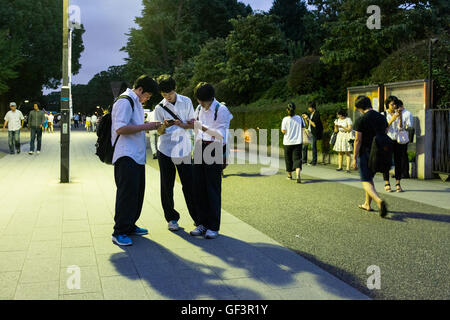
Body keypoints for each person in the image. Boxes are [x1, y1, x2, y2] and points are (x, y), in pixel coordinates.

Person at [111, 75, 161, 247]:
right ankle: (119, 231)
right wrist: (147, 126)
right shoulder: (125, 101)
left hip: (136, 156)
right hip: (126, 155)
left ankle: (130, 225)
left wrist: (150, 125)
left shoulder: (136, 103)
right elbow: (120, 128)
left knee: (137, 194)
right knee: (126, 194)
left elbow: (135, 126)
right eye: (147, 95)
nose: (147, 99)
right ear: (140, 90)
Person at [154, 75, 199, 232]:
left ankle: (197, 218)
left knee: (189, 184)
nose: (168, 97)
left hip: (184, 148)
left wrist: (183, 124)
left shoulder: (186, 101)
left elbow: (193, 124)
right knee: (167, 185)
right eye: (164, 94)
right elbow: (158, 131)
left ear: (175, 89)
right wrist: (164, 126)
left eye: (170, 93)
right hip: (165, 149)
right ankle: (172, 218)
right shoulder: (159, 108)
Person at [189, 83, 233, 239]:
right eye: (198, 100)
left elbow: (221, 135)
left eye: (202, 101)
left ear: (211, 98)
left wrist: (201, 127)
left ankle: (213, 226)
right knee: (198, 187)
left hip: (214, 148)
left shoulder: (221, 110)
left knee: (212, 188)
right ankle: (201, 223)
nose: (200, 103)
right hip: (200, 147)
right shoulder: (200, 108)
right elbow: (196, 129)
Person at [352, 96, 388, 218]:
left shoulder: (361, 120)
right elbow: (386, 131)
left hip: (365, 152)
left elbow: (358, 140)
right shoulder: (381, 117)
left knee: (365, 180)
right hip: (379, 151)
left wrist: (354, 157)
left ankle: (379, 201)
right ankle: (367, 204)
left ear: (360, 108)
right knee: (370, 178)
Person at [382, 98, 413, 193]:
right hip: (387, 140)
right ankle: (387, 183)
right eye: (392, 104)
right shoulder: (383, 114)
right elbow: (383, 128)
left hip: (398, 140)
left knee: (398, 162)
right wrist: (392, 119)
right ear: (387, 105)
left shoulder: (400, 113)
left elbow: (401, 128)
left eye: (395, 104)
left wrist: (399, 118)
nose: (394, 106)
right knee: (386, 162)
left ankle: (398, 183)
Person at [281, 102, 305, 183]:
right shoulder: (299, 118)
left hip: (287, 142)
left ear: (287, 110)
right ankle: (298, 175)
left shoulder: (285, 119)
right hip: (298, 142)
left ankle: (290, 175)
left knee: (288, 159)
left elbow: (283, 131)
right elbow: (303, 127)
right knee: (297, 159)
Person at [301, 101, 323, 166]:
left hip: (314, 132)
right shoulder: (311, 114)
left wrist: (308, 118)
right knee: (305, 146)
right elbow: (308, 124)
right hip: (309, 131)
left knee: (313, 146)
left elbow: (314, 124)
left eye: (309, 107)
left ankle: (314, 161)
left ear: (312, 107)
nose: (308, 109)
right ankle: (304, 160)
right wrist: (305, 119)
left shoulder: (317, 114)